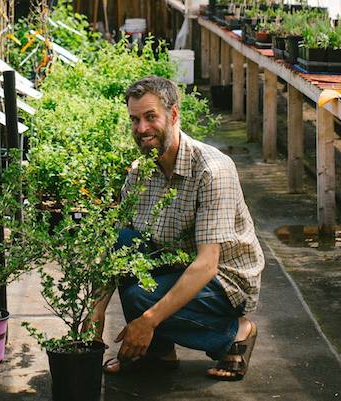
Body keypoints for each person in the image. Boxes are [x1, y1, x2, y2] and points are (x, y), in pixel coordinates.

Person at [88, 76, 265, 381]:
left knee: (139, 298)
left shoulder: (211, 170)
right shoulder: (140, 173)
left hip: (226, 279)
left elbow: (207, 264)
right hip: (174, 261)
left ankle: (236, 332)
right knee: (125, 240)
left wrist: (147, 320)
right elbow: (119, 249)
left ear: (173, 115)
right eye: (134, 120)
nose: (141, 129)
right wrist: (96, 310)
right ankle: (159, 352)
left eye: (150, 117)